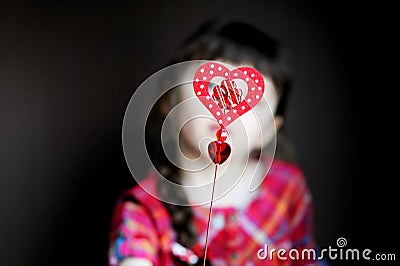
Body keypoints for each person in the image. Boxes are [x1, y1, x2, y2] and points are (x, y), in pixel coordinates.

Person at [108, 19, 324, 266]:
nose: (229, 106)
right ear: (170, 99)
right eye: (213, 86)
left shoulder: (288, 189)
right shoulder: (142, 209)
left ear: (268, 131)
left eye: (251, 100)